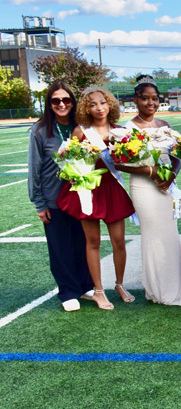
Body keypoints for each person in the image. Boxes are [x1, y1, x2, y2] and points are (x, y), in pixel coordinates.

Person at [122, 76, 181, 306]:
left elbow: (176, 156)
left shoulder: (165, 125)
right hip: (144, 187)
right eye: (145, 98)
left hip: (166, 186)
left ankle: (176, 287)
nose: (151, 103)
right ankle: (158, 290)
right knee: (153, 237)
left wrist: (172, 175)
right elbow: (121, 163)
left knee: (169, 235)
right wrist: (150, 171)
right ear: (135, 100)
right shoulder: (127, 128)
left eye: (155, 99)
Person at [56, 87, 135, 310]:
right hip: (89, 190)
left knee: (119, 241)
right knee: (93, 242)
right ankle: (99, 291)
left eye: (102, 102)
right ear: (86, 109)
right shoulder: (81, 131)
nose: (99, 108)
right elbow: (70, 162)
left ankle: (119, 284)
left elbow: (129, 162)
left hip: (112, 189)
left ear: (110, 104)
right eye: (92, 104)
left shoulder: (120, 131)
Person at [28, 82, 96, 311]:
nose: (61, 104)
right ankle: (68, 291)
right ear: (49, 104)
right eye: (55, 100)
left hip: (80, 195)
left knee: (82, 242)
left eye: (66, 100)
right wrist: (39, 203)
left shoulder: (81, 127)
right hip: (53, 198)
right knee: (60, 248)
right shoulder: (40, 130)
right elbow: (34, 168)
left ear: (72, 102)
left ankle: (85, 285)